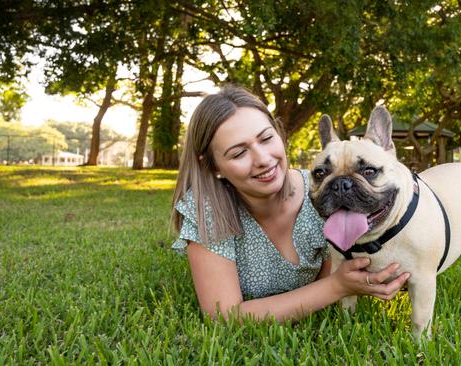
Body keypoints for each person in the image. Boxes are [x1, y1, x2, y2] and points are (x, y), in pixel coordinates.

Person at [171, 85, 410, 323]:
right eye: (238, 153)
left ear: (279, 134)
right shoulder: (209, 211)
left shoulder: (323, 193)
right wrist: (336, 287)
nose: (263, 159)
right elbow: (223, 316)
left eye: (266, 138)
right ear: (212, 166)